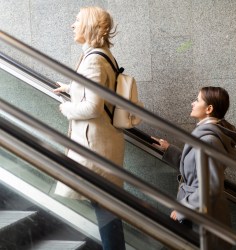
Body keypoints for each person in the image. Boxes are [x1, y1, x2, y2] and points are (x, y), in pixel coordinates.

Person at [53, 6, 125, 250]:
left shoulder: (93, 59)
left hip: (96, 147)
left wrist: (66, 108)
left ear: (89, 26)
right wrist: (70, 88)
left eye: (77, 21)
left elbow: (93, 107)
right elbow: (95, 91)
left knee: (104, 207)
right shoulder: (100, 54)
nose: (72, 25)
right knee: (104, 205)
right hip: (102, 143)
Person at [153, 86, 236, 249]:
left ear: (209, 109)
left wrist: (183, 209)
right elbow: (194, 169)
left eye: (198, 100)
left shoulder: (208, 140)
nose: (193, 103)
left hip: (202, 216)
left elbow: (211, 187)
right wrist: (169, 150)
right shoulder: (206, 135)